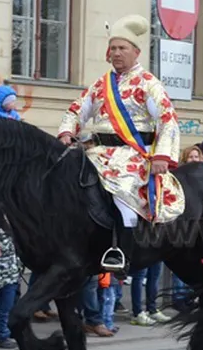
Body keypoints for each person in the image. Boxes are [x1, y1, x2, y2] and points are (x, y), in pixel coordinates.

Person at [57, 14, 183, 272]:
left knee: (123, 192)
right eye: (113, 48)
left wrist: (162, 156)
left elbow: (167, 118)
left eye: (122, 48)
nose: (116, 53)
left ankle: (121, 251)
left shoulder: (148, 83)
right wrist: (67, 132)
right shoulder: (100, 85)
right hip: (96, 151)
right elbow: (76, 110)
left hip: (132, 155)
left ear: (135, 52)